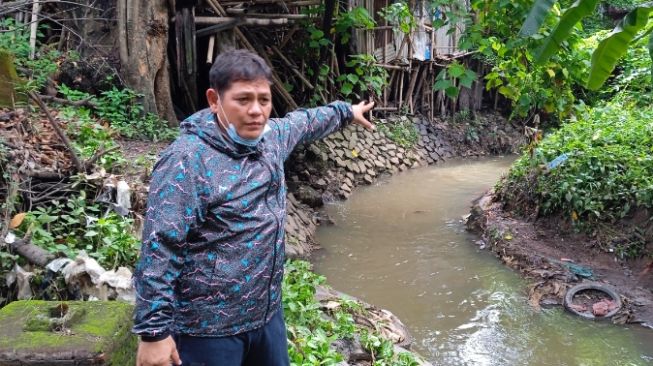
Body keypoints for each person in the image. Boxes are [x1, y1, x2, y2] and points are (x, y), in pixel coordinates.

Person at [133, 49, 375, 366]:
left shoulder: (269, 139)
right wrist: (153, 333)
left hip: (265, 316)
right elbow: (160, 246)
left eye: (263, 99)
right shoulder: (187, 160)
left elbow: (304, 122)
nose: (256, 111)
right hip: (208, 330)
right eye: (243, 100)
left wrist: (346, 111)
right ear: (214, 100)